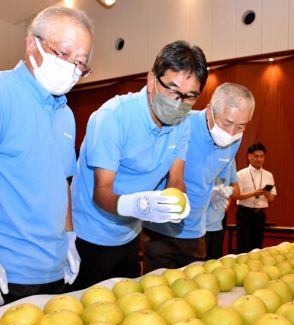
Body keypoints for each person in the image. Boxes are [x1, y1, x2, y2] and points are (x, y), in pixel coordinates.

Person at [71, 40, 208, 290]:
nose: (179, 102)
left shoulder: (183, 123)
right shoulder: (113, 117)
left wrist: (176, 202)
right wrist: (138, 205)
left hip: (130, 234)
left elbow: (176, 179)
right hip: (90, 234)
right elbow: (101, 192)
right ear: (151, 80)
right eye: (173, 90)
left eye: (190, 96)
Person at [0, 6, 93, 305]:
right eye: (65, 54)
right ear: (32, 45)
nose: (74, 68)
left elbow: (61, 181)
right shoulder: (4, 93)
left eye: (81, 62)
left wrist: (69, 235)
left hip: (54, 269)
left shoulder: (66, 114)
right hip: (9, 273)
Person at [141, 82, 255, 272]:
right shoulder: (181, 124)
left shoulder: (236, 139)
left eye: (241, 126)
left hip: (196, 231)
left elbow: (217, 176)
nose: (232, 133)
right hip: (160, 231)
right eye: (226, 123)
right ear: (210, 109)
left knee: (195, 295)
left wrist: (220, 191)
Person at [236, 142, 277, 253]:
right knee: (243, 249)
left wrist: (267, 194)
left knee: (257, 248)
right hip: (244, 214)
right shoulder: (240, 174)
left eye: (261, 156)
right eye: (256, 156)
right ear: (249, 157)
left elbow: (272, 198)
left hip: (260, 215)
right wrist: (254, 193)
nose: (259, 159)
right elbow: (236, 196)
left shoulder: (269, 175)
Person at [205, 160, 240, 259]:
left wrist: (230, 191)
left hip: (217, 226)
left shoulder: (230, 157)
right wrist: (207, 194)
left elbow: (237, 190)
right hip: (196, 228)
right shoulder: (197, 151)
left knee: (214, 267)